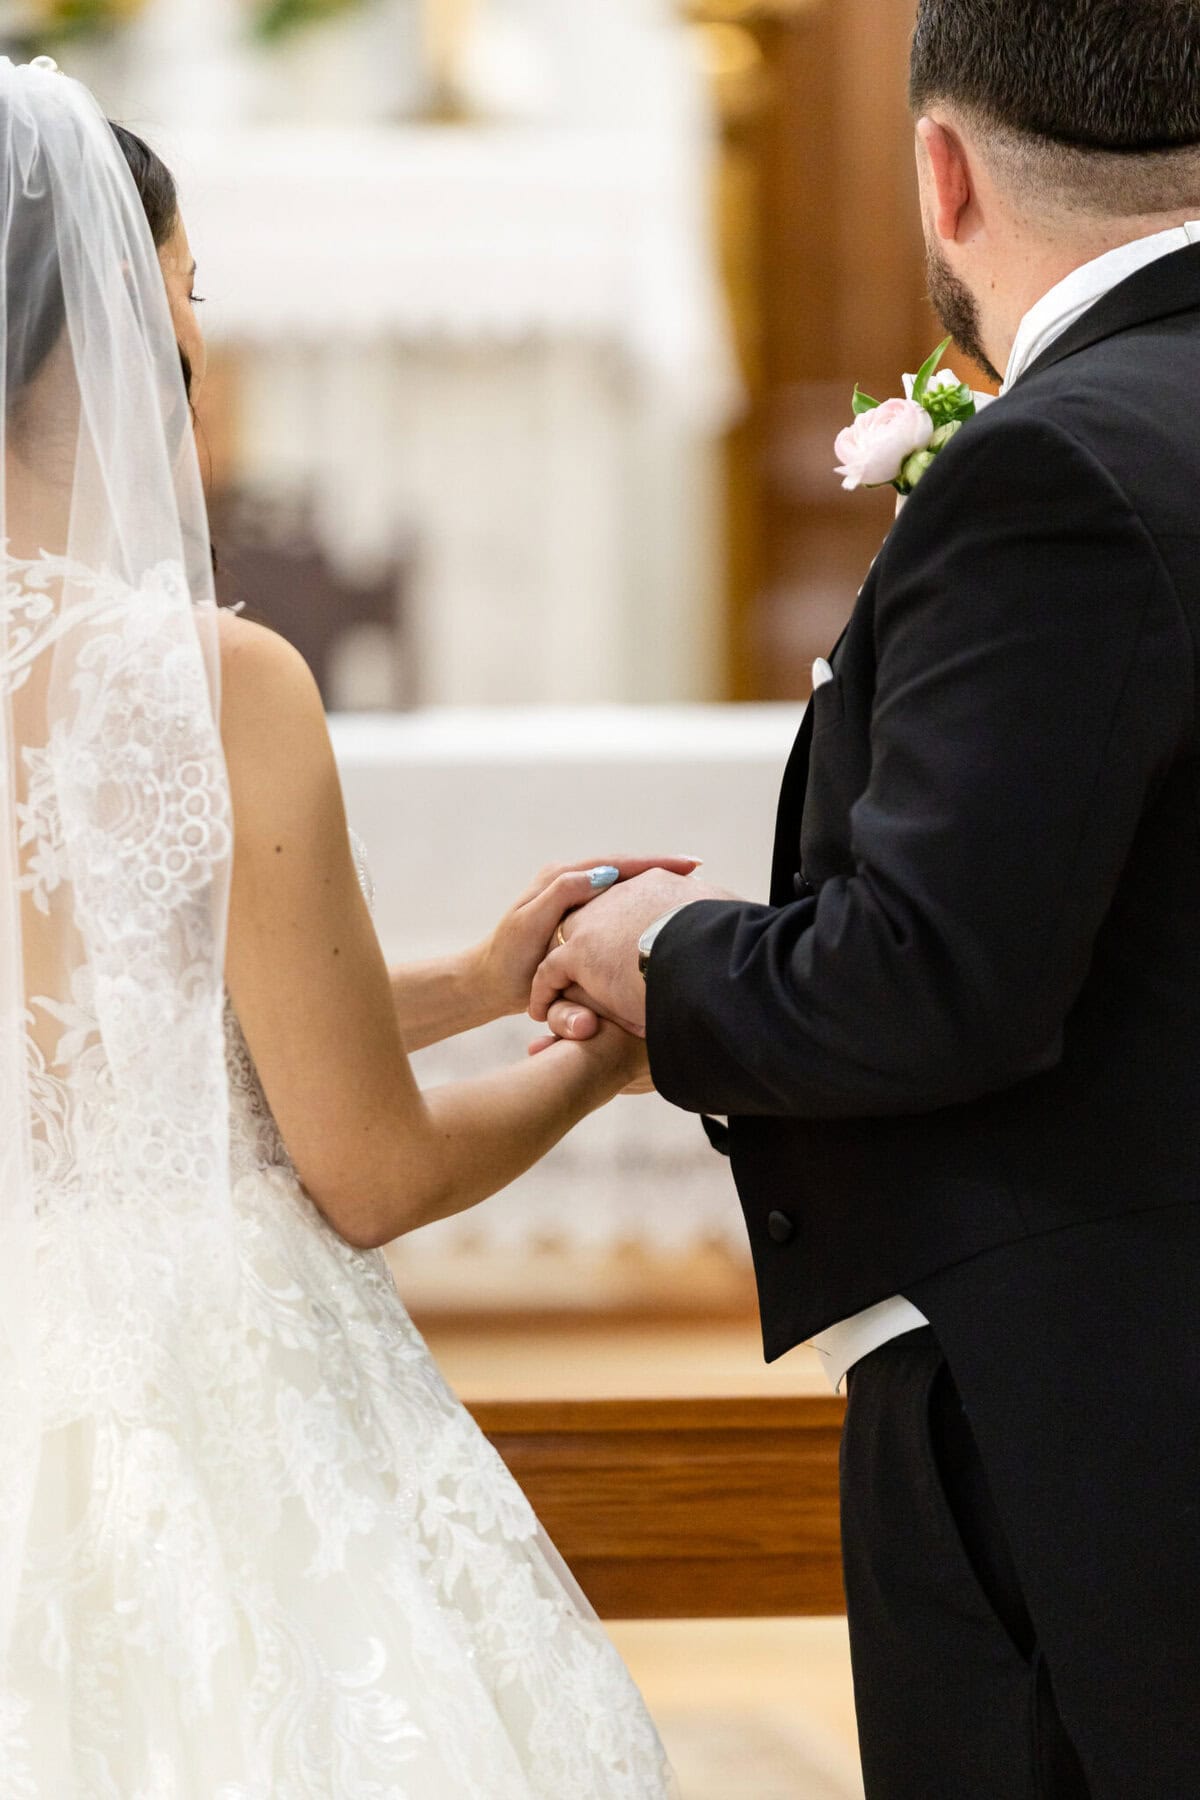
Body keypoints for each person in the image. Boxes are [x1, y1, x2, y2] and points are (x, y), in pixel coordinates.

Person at [535, 1, 1200, 1793]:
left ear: (944, 167)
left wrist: (658, 960)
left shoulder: (1058, 461)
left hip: (1098, 1426)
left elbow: (932, 976)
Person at [0, 55, 682, 1796]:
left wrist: (470, 977)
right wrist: (615, 1058)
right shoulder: (207, 683)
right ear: (121, 306)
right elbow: (366, 1172)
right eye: (189, 286)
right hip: (186, 1393)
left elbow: (111, 1009)